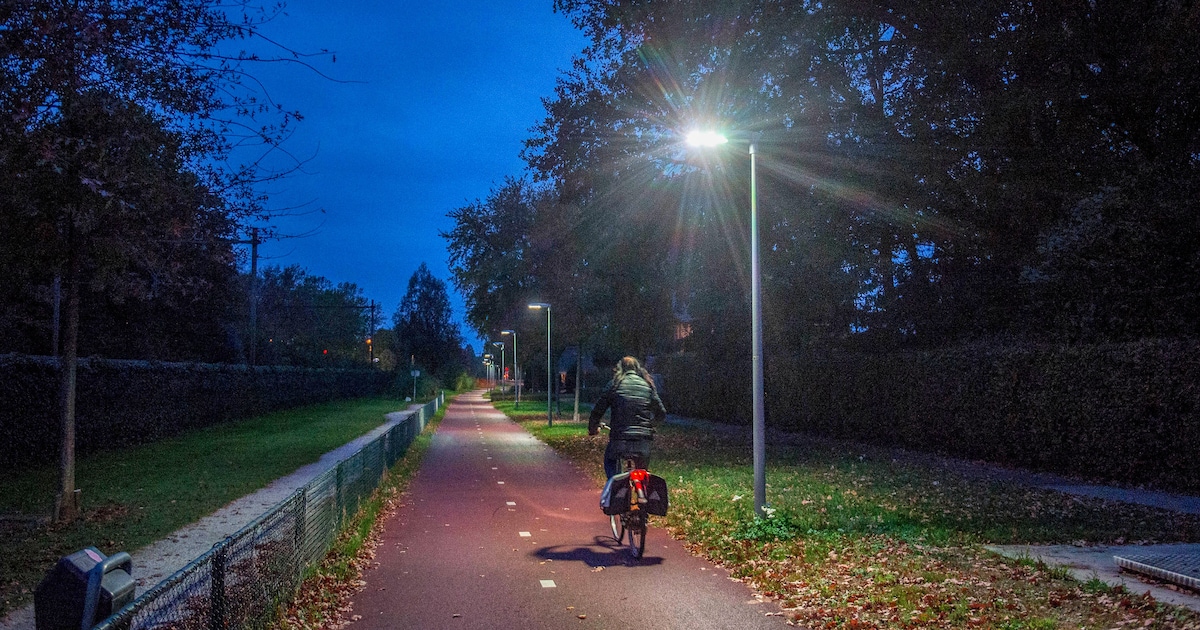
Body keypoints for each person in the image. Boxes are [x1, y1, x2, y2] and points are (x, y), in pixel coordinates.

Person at [588, 356, 667, 478]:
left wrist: (593, 428)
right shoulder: (647, 385)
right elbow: (661, 413)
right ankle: (643, 488)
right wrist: (650, 426)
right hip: (642, 440)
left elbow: (597, 411)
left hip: (619, 438)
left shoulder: (614, 384)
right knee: (642, 474)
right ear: (637, 369)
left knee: (610, 462)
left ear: (620, 368)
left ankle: (614, 484)